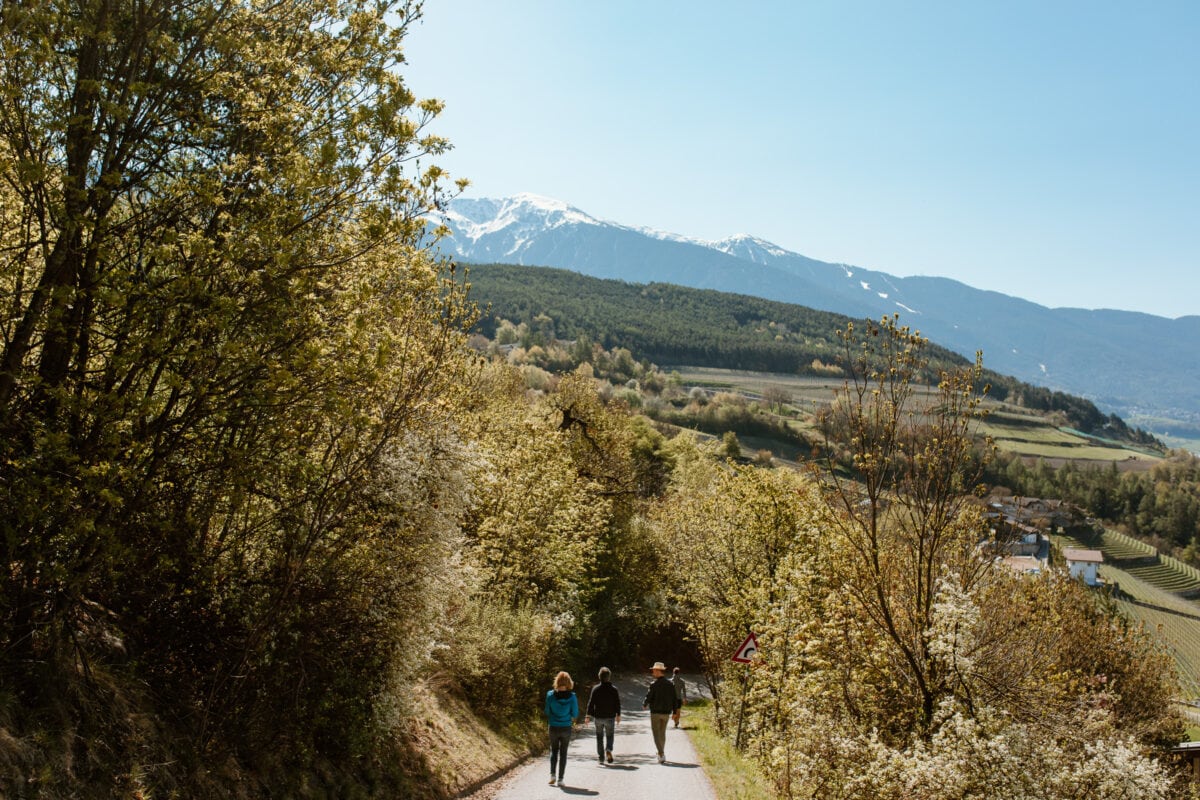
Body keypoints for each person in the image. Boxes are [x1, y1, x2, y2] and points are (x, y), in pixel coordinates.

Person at [544, 671, 578, 786]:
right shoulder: (572, 697)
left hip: (553, 726)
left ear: (557, 682)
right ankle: (561, 779)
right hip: (566, 727)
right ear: (569, 682)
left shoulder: (550, 695)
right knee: (563, 753)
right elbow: (575, 713)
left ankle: (552, 774)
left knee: (554, 750)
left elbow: (547, 711)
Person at [584, 666, 622, 764]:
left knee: (599, 737)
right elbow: (617, 703)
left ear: (599, 677)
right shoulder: (614, 690)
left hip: (598, 717)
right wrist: (618, 715)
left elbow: (591, 703)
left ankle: (601, 758)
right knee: (610, 735)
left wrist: (588, 716)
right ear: (609, 677)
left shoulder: (595, 689)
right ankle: (608, 749)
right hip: (610, 717)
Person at [642, 661, 675, 763]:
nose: (652, 673)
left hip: (655, 712)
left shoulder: (654, 684)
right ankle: (661, 751)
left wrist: (645, 704)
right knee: (662, 733)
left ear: (658, 671)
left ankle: (661, 753)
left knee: (656, 733)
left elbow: (649, 696)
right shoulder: (670, 684)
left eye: (653, 671)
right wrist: (675, 711)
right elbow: (674, 698)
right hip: (666, 712)